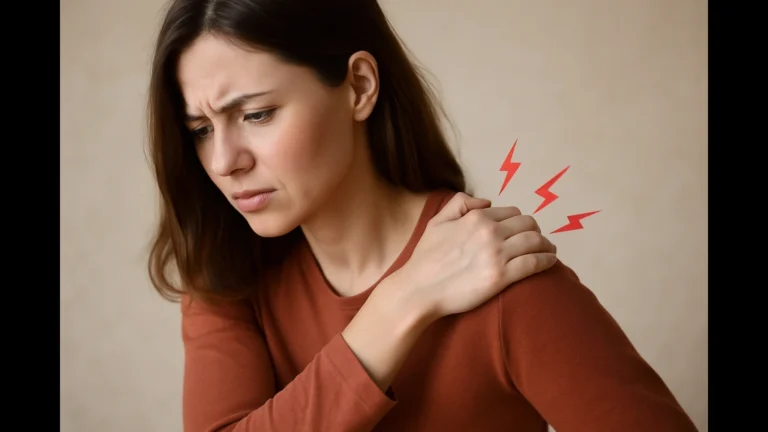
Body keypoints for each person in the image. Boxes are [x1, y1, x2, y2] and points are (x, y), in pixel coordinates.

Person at [145, 0, 699, 431]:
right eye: (202, 129)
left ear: (359, 87)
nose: (224, 161)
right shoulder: (226, 277)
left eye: (258, 114)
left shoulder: (499, 275)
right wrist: (401, 302)